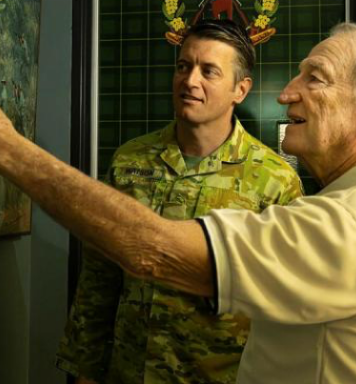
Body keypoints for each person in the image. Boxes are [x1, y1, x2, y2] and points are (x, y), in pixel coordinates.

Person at [0, 23, 356, 383]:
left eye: (315, 78)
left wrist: (4, 146)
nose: (287, 93)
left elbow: (153, 251)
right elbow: (102, 277)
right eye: (184, 66)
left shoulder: (354, 221)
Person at [55, 20, 302, 383]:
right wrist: (85, 370)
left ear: (240, 89)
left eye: (209, 71)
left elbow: (286, 306)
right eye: (183, 66)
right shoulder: (131, 161)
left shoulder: (275, 180)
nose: (190, 81)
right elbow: (100, 276)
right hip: (129, 371)